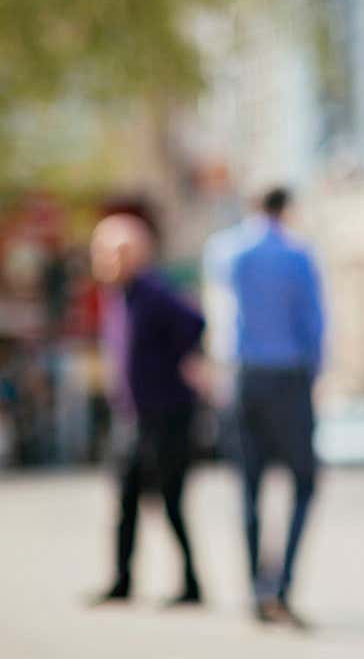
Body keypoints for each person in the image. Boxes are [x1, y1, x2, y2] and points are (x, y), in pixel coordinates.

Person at [90, 214, 205, 606]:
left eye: (118, 252)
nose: (109, 260)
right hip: (132, 414)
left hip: (166, 414)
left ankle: (191, 583)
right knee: (125, 501)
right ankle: (122, 581)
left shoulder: (154, 292)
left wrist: (174, 364)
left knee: (170, 501)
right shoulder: (118, 297)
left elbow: (195, 323)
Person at [227, 187, 324, 626]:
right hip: (288, 379)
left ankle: (255, 588)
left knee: (249, 487)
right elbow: (313, 324)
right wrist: (312, 377)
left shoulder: (229, 252)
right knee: (304, 484)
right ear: (286, 209)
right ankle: (281, 586)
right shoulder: (298, 255)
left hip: (245, 377)